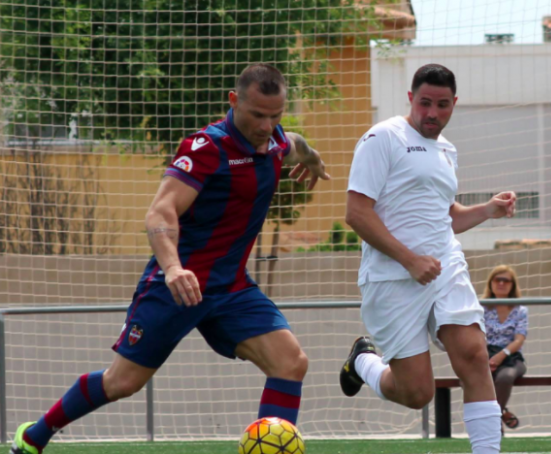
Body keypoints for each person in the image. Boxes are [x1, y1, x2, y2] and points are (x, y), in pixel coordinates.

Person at [11, 64, 330, 454]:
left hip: (231, 287)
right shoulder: (206, 148)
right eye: (257, 115)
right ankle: (34, 435)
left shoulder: (276, 141)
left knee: (291, 362)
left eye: (275, 115)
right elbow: (161, 212)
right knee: (122, 383)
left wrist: (312, 159)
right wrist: (174, 268)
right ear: (234, 101)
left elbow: (294, 142)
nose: (267, 125)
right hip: (177, 286)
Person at [339, 64, 517, 454]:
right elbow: (357, 213)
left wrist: (487, 210)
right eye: (424, 103)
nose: (432, 113)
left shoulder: (448, 150)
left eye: (441, 105)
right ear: (410, 98)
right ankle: (364, 360)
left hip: (445, 268)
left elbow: (445, 216)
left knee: (472, 354)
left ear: (454, 104)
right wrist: (409, 260)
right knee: (416, 392)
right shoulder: (382, 137)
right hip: (393, 278)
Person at [481, 265, 528, 431]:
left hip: (512, 359)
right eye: (497, 280)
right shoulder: (481, 308)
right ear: (491, 283)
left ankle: (494, 420)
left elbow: (519, 340)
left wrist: (501, 356)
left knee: (505, 377)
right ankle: (501, 413)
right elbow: (477, 337)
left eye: (506, 280)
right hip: (485, 356)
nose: (501, 283)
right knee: (473, 378)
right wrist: (487, 358)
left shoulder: (520, 309)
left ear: (512, 285)